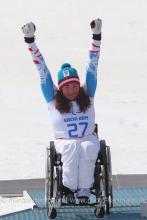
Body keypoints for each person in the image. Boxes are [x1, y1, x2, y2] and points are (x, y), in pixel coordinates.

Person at [21, 18, 102, 204]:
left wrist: (96, 37)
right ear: (60, 88)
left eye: (75, 86)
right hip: (65, 142)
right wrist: (30, 41)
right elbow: (42, 70)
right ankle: (67, 188)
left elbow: (93, 64)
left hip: (88, 137)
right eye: (67, 87)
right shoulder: (53, 99)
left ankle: (84, 190)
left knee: (87, 147)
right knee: (73, 147)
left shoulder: (87, 94)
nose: (72, 90)